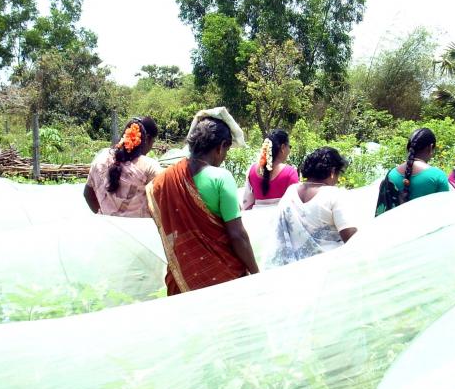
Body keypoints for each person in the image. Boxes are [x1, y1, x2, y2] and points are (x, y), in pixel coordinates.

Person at [147, 113, 258, 295]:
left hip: (183, 276)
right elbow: (237, 235)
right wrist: (256, 273)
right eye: (227, 151)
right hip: (222, 276)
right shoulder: (221, 178)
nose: (224, 157)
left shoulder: (165, 180)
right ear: (221, 147)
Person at [266, 147, 358, 268]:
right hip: (328, 270)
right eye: (337, 175)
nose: (337, 180)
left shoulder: (291, 191)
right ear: (332, 172)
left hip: (293, 269)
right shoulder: (334, 195)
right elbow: (352, 238)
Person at [84, 116, 161, 217]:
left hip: (106, 228)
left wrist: (103, 216)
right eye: (153, 142)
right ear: (147, 139)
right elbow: (165, 200)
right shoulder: (149, 166)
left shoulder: (101, 159)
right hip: (139, 231)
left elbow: (87, 194)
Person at [375, 127, 449, 216]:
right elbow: (444, 212)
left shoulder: (391, 175)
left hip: (395, 228)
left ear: (409, 148)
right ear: (430, 147)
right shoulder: (438, 176)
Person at [242, 129, 299, 210]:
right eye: (289, 147)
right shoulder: (290, 172)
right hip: (280, 220)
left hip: (255, 219)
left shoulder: (252, 170)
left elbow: (247, 203)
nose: (289, 150)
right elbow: (295, 205)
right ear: (283, 148)